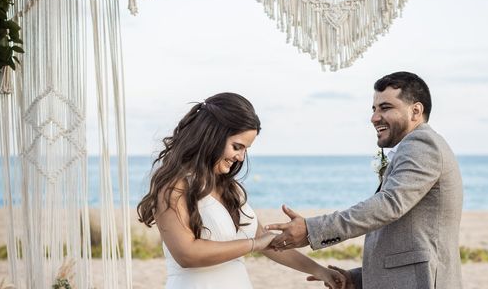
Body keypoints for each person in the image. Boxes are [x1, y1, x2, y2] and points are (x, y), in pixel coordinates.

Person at [266, 72, 463, 289]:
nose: (374, 117)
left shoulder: (422, 143)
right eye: (374, 109)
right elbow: (411, 241)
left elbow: (389, 205)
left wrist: (312, 230)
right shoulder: (416, 146)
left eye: (386, 108)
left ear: (415, 111)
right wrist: (359, 279)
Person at [137, 92, 346, 289]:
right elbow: (187, 254)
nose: (241, 157)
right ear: (212, 136)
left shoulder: (231, 189)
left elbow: (265, 240)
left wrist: (320, 271)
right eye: (237, 147)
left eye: (246, 149)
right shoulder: (174, 186)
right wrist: (254, 244)